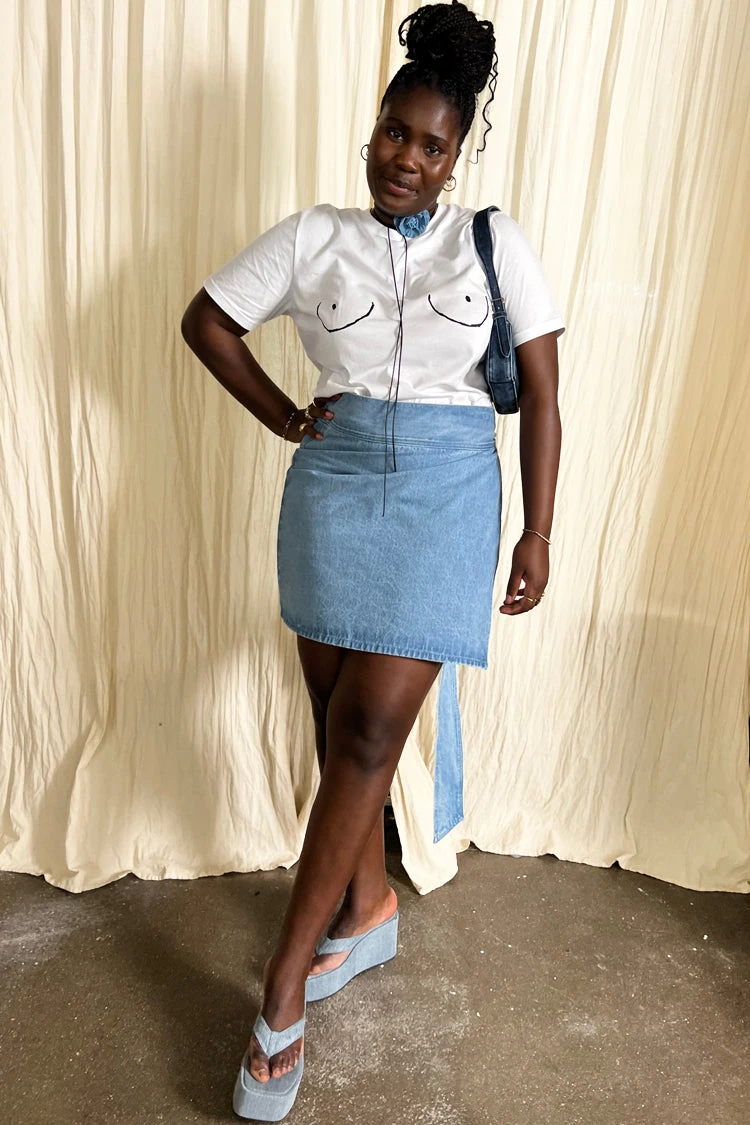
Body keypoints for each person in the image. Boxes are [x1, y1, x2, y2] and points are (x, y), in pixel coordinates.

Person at [181, 2, 564, 1118]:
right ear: (374, 130)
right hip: (334, 493)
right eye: (395, 132)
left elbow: (543, 395)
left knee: (367, 733)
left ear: (457, 156)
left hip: (448, 497)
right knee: (334, 722)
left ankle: (282, 987)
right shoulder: (314, 237)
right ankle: (368, 907)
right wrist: (283, 417)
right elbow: (208, 322)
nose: (407, 158)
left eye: (432, 145)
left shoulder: (493, 242)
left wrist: (537, 529)